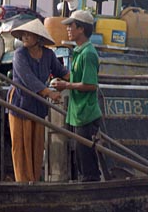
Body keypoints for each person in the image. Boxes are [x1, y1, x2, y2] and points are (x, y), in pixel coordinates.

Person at [7, 18, 70, 182]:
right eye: (23, 34)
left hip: (38, 104)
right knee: (21, 145)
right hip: (21, 102)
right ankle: (22, 181)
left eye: (29, 34)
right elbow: (27, 79)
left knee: (36, 144)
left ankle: (34, 180)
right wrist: (49, 92)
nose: (25, 37)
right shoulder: (20, 54)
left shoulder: (48, 54)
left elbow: (62, 71)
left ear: (38, 39)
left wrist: (77, 81)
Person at [51, 10, 102, 182]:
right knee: (80, 156)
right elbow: (77, 80)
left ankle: (91, 189)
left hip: (86, 113)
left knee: (87, 159)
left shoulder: (88, 54)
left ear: (81, 29)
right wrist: (63, 83)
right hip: (78, 113)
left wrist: (66, 85)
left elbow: (90, 85)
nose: (68, 30)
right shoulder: (79, 51)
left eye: (71, 26)